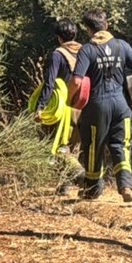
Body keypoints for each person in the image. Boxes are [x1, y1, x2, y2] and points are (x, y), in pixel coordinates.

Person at [69, 10, 132, 201]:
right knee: (121, 145)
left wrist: (69, 100)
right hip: (121, 104)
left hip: (97, 106)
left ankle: (93, 190)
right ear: (107, 25)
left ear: (88, 29)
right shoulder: (122, 45)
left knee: (94, 146)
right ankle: (126, 186)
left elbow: (77, 81)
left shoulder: (87, 49)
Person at [34, 19, 85, 191]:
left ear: (59, 38)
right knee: (71, 145)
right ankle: (65, 185)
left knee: (55, 145)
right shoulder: (85, 51)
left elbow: (50, 83)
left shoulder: (58, 54)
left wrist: (40, 107)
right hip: (82, 106)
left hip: (61, 107)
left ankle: (80, 174)